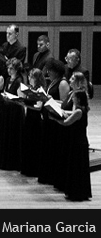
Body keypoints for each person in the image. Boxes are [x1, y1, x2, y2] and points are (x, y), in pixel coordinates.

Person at [51, 74, 91, 202]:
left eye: (74, 98)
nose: (72, 99)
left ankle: (77, 192)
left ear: (78, 99)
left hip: (78, 142)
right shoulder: (79, 109)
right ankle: (76, 191)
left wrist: (54, 118)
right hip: (76, 140)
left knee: (77, 168)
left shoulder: (79, 111)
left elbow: (67, 122)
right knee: (75, 167)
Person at [38, 60, 70, 187]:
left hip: (55, 120)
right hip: (48, 118)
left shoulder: (62, 83)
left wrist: (51, 99)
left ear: (56, 71)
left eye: (50, 71)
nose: (47, 73)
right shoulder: (53, 81)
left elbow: (65, 103)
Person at [0, 58, 25, 172]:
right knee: (6, 134)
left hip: (15, 112)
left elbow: (21, 99)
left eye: (11, 69)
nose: (8, 71)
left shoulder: (19, 81)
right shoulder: (8, 79)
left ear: (17, 69)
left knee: (13, 136)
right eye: (8, 68)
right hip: (8, 110)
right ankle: (5, 161)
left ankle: (13, 163)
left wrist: (10, 98)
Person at [19, 68, 46, 177]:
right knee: (27, 143)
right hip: (28, 118)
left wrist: (26, 104)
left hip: (36, 120)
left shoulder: (40, 90)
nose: (29, 78)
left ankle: (33, 169)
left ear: (37, 78)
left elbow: (39, 107)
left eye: (32, 77)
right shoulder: (30, 89)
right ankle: (26, 168)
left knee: (34, 144)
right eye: (29, 76)